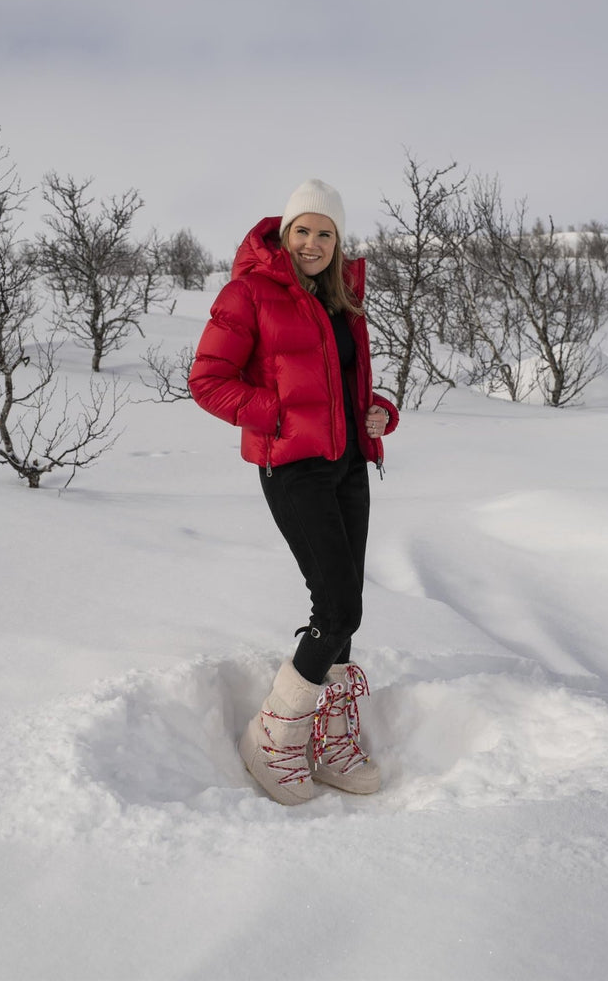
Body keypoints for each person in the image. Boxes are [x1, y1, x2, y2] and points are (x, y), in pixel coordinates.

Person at [188, 179, 399, 806]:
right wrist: (276, 412)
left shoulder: (343, 301)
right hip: (294, 467)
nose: (312, 242)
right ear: (285, 234)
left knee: (345, 601)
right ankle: (274, 737)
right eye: (302, 230)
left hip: (349, 466)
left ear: (338, 242)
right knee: (339, 608)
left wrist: (380, 410)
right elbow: (208, 380)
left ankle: (331, 736)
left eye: (324, 233)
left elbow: (352, 385)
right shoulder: (249, 292)